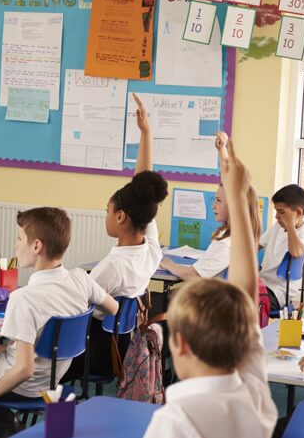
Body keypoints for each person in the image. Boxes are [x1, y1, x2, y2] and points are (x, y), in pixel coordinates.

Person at [0, 207, 119, 438]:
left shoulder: (24, 298)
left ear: (37, 246)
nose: (16, 244)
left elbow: (23, 369)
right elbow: (113, 307)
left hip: (19, 383)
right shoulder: (81, 279)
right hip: (51, 380)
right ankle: (9, 429)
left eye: (20, 238)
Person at [143, 140, 278, 438]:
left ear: (180, 344)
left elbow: (244, 291)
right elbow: (245, 291)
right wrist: (238, 192)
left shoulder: (177, 420)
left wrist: (237, 192)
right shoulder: (255, 394)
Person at [64, 94, 167, 380]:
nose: (106, 215)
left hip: (92, 354)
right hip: (121, 348)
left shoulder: (112, 267)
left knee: (28, 353)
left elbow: (74, 307)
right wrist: (146, 133)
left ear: (120, 217)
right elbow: (144, 190)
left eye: (107, 210)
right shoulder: (150, 250)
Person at [162, 132, 262, 280]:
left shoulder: (226, 245)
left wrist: (168, 264)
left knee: (169, 296)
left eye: (218, 201)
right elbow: (229, 182)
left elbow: (193, 275)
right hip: (217, 294)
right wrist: (222, 150)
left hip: (213, 299)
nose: (213, 206)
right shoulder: (241, 237)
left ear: (234, 207)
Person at [258, 183, 304, 311]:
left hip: (277, 293)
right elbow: (257, 245)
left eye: (281, 212)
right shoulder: (277, 228)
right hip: (261, 285)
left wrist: (289, 224)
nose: (277, 216)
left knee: (238, 300)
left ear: (298, 213)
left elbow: (296, 252)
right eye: (276, 211)